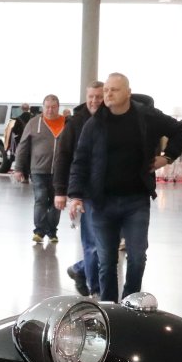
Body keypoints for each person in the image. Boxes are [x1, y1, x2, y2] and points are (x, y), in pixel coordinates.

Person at [66, 72, 182, 301]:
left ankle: (130, 303)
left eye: (114, 90)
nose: (108, 94)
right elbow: (80, 161)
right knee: (106, 261)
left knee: (137, 257)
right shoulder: (94, 124)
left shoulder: (146, 117)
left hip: (136, 201)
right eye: (106, 90)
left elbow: (180, 130)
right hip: (102, 202)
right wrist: (75, 196)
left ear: (128, 93)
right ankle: (110, 307)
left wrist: (167, 157)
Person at [54, 82, 104, 295]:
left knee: (107, 245)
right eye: (91, 96)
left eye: (99, 97)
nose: (94, 101)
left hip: (111, 193)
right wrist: (61, 191)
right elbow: (63, 156)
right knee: (93, 243)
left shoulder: (114, 120)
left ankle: (80, 269)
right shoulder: (75, 123)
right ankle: (97, 291)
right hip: (86, 192)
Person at [13, 94, 66, 243]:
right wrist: (18, 168)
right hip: (38, 170)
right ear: (43, 107)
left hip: (60, 171)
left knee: (56, 202)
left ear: (58, 107)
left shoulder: (66, 123)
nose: (50, 110)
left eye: (53, 107)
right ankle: (39, 231)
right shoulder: (33, 123)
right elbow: (23, 146)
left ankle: (52, 231)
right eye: (47, 107)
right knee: (41, 199)